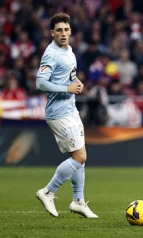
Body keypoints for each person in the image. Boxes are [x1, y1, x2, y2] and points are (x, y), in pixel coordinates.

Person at [35, 13, 97, 218]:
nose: (63, 33)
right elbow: (40, 82)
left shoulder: (69, 50)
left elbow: (68, 76)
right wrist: (67, 88)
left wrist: (76, 82)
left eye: (66, 30)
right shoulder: (51, 53)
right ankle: (47, 191)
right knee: (80, 156)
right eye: (59, 30)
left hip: (71, 109)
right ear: (52, 32)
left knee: (79, 157)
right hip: (58, 113)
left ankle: (78, 201)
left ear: (70, 31)